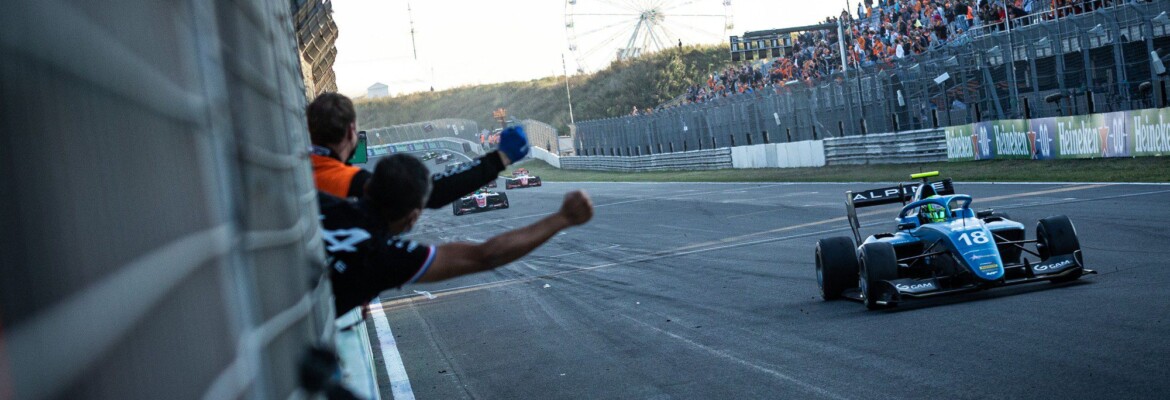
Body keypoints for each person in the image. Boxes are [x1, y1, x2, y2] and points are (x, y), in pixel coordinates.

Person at [320, 154, 594, 314]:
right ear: (414, 216)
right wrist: (563, 218)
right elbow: (486, 255)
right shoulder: (385, 257)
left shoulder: (317, 202)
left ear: (367, 188)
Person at [305, 92, 529, 206]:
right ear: (351, 131)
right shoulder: (347, 180)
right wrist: (499, 159)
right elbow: (431, 193)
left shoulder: (296, 169)